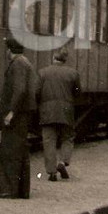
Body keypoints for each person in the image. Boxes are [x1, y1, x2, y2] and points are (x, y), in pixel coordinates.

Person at [0, 38, 38, 199]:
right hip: (22, 114)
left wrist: (11, 112)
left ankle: (8, 190)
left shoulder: (17, 64)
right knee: (20, 152)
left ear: (10, 50)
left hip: (17, 116)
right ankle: (20, 191)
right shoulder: (24, 62)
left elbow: (20, 90)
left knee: (10, 151)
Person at [37, 49, 80, 182]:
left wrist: (42, 104)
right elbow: (78, 92)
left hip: (47, 111)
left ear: (53, 58)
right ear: (65, 60)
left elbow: (36, 92)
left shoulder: (42, 72)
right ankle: (63, 162)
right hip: (66, 111)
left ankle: (52, 173)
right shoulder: (73, 73)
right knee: (68, 137)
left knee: (49, 141)